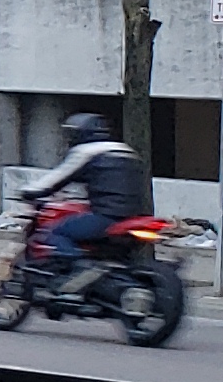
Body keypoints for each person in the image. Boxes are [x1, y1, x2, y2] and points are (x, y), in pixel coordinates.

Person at [24, 112, 147, 296]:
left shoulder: (86, 152)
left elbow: (57, 178)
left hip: (105, 216)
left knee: (54, 231)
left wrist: (30, 191)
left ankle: (78, 269)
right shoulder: (127, 152)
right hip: (134, 217)